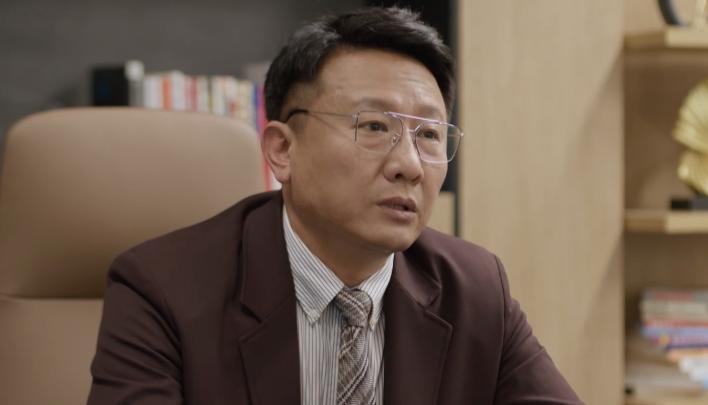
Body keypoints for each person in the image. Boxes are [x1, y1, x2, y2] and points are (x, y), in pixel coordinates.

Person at [87, 7, 582, 405]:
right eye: (374, 127)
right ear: (283, 150)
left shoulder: (475, 290)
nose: (410, 165)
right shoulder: (162, 290)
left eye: (430, 135)